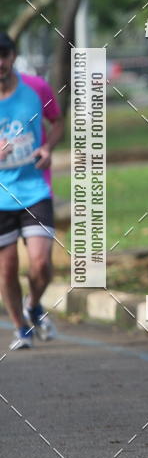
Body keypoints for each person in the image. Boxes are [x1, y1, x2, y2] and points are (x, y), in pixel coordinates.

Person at [0, 33, 64, 350]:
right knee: (7, 268)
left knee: (40, 264)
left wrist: (47, 148)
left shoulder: (37, 87)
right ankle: (20, 328)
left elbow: (57, 122)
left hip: (35, 189)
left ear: (13, 56)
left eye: (4, 55)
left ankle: (33, 304)